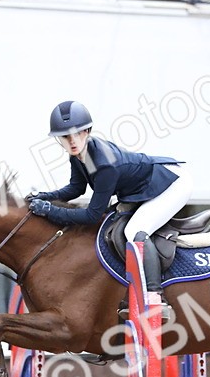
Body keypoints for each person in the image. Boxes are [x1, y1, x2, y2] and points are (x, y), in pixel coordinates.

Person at [28, 100, 190, 320]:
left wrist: (49, 210)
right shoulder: (80, 156)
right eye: (65, 137)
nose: (72, 141)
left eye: (76, 134)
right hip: (145, 187)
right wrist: (45, 196)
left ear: (87, 131)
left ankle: (155, 298)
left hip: (172, 183)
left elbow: (92, 215)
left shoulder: (104, 164)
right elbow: (76, 188)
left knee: (135, 231)